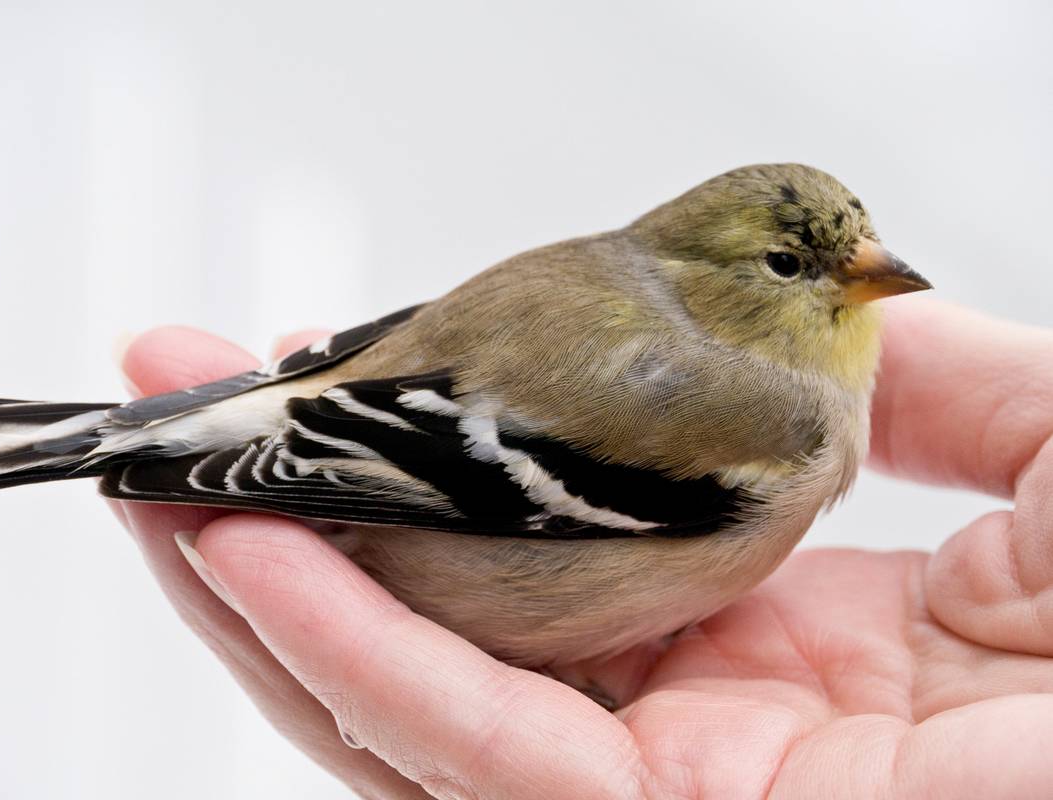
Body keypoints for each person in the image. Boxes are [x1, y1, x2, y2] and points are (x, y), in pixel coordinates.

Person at [111, 297, 1053, 799]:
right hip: (411, 474)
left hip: (373, 403)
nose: (873, 274)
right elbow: (490, 474)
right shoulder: (777, 421)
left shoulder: (598, 286)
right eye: (787, 263)